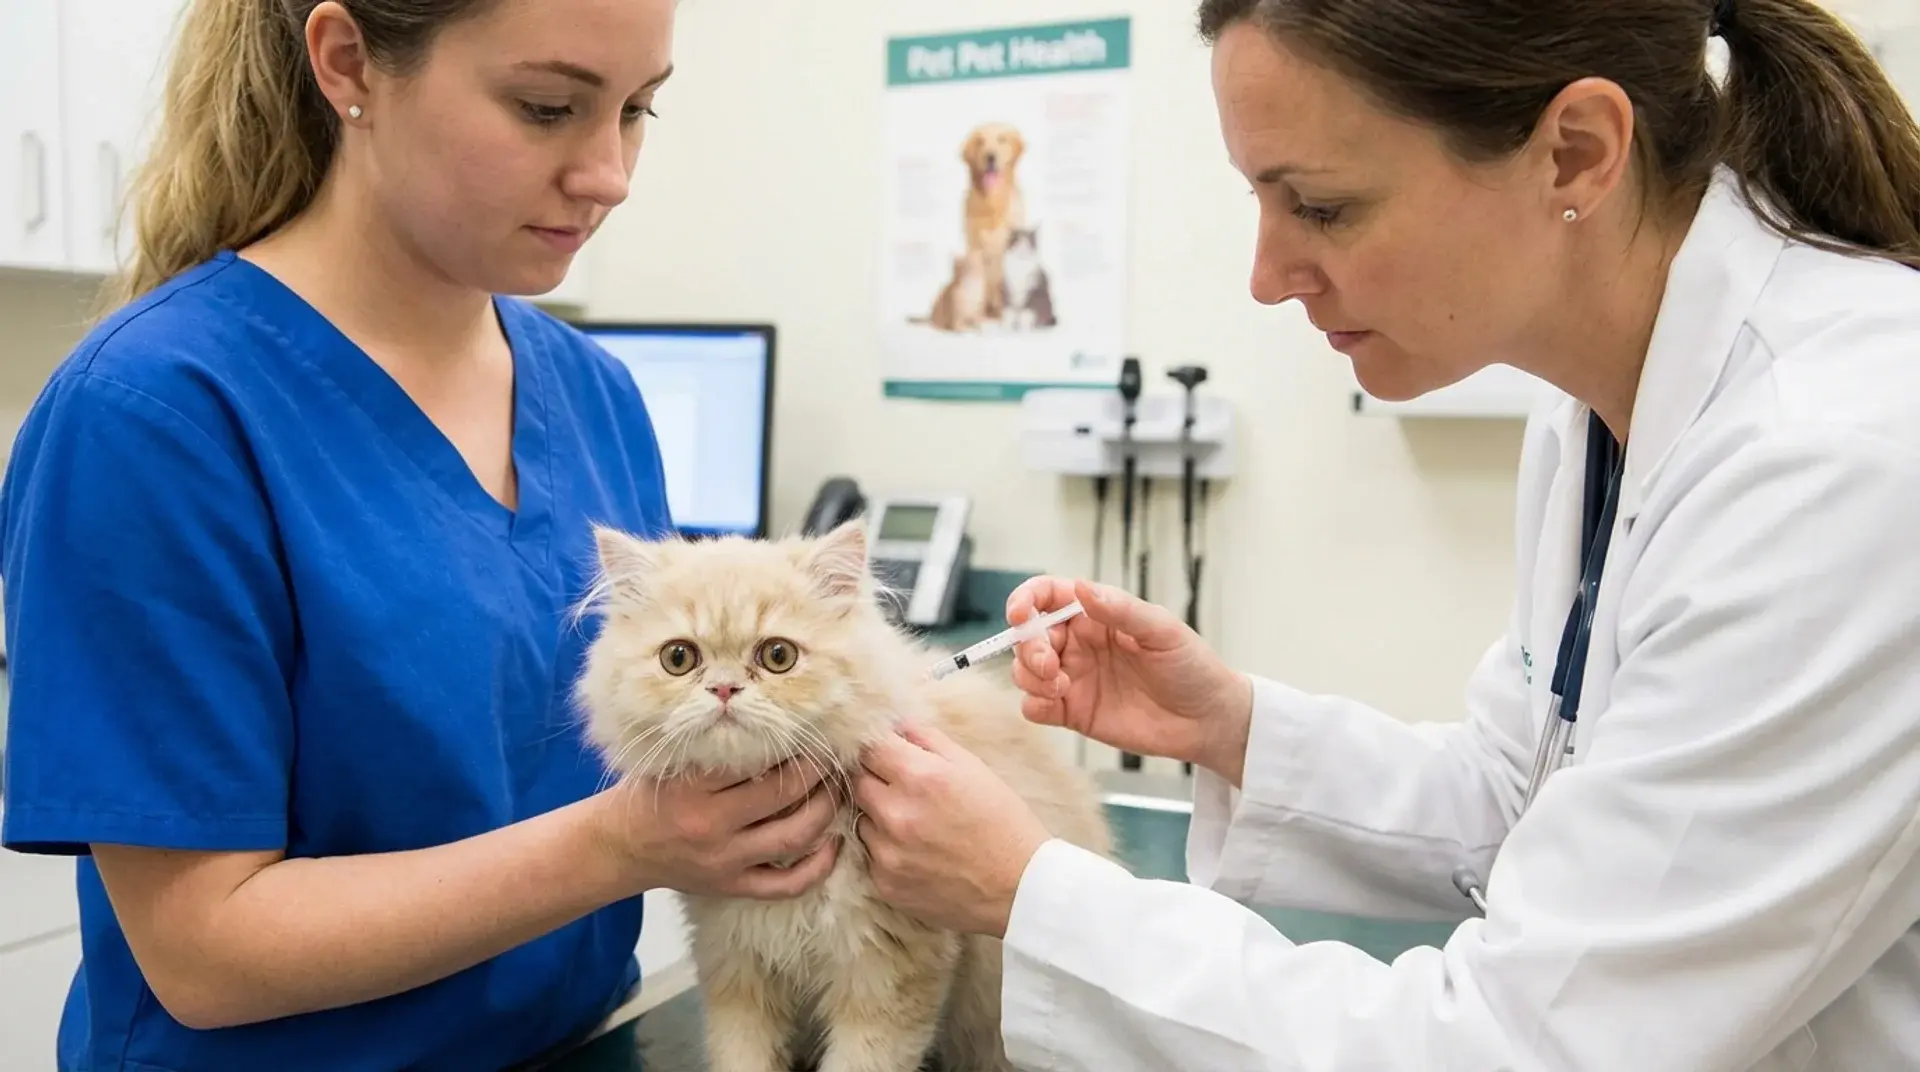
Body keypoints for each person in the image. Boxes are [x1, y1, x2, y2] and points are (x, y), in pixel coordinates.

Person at [852, 0, 1920, 1068]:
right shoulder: (1596, 409)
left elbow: (1525, 1045)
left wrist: (1033, 893)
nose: (1267, 276)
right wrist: (1232, 725)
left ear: (1576, 155)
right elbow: (1526, 793)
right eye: (1261, 202)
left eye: (1320, 206)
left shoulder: (1835, 465)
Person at [0, 1, 841, 1069]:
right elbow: (203, 951)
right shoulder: (152, 415)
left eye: (638, 110)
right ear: (348, 61)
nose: (609, 173)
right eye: (548, 107)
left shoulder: (597, 397)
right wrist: (624, 845)